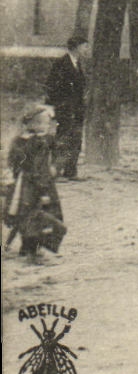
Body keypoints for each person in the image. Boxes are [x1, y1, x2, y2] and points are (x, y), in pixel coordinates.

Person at [5, 104, 65, 265]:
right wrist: (19, 170)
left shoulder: (49, 139)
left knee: (48, 212)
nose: (41, 126)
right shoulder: (21, 141)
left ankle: (42, 246)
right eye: (37, 123)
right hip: (27, 183)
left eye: (45, 123)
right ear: (28, 124)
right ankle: (28, 248)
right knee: (28, 214)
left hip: (46, 181)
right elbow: (14, 160)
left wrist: (55, 168)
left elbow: (61, 154)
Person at [44, 35, 88, 180]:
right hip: (65, 109)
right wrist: (57, 106)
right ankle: (56, 172)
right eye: (84, 46)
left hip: (77, 110)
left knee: (76, 139)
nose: (86, 49)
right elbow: (51, 86)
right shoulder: (61, 64)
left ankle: (71, 171)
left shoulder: (77, 63)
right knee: (63, 140)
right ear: (76, 47)